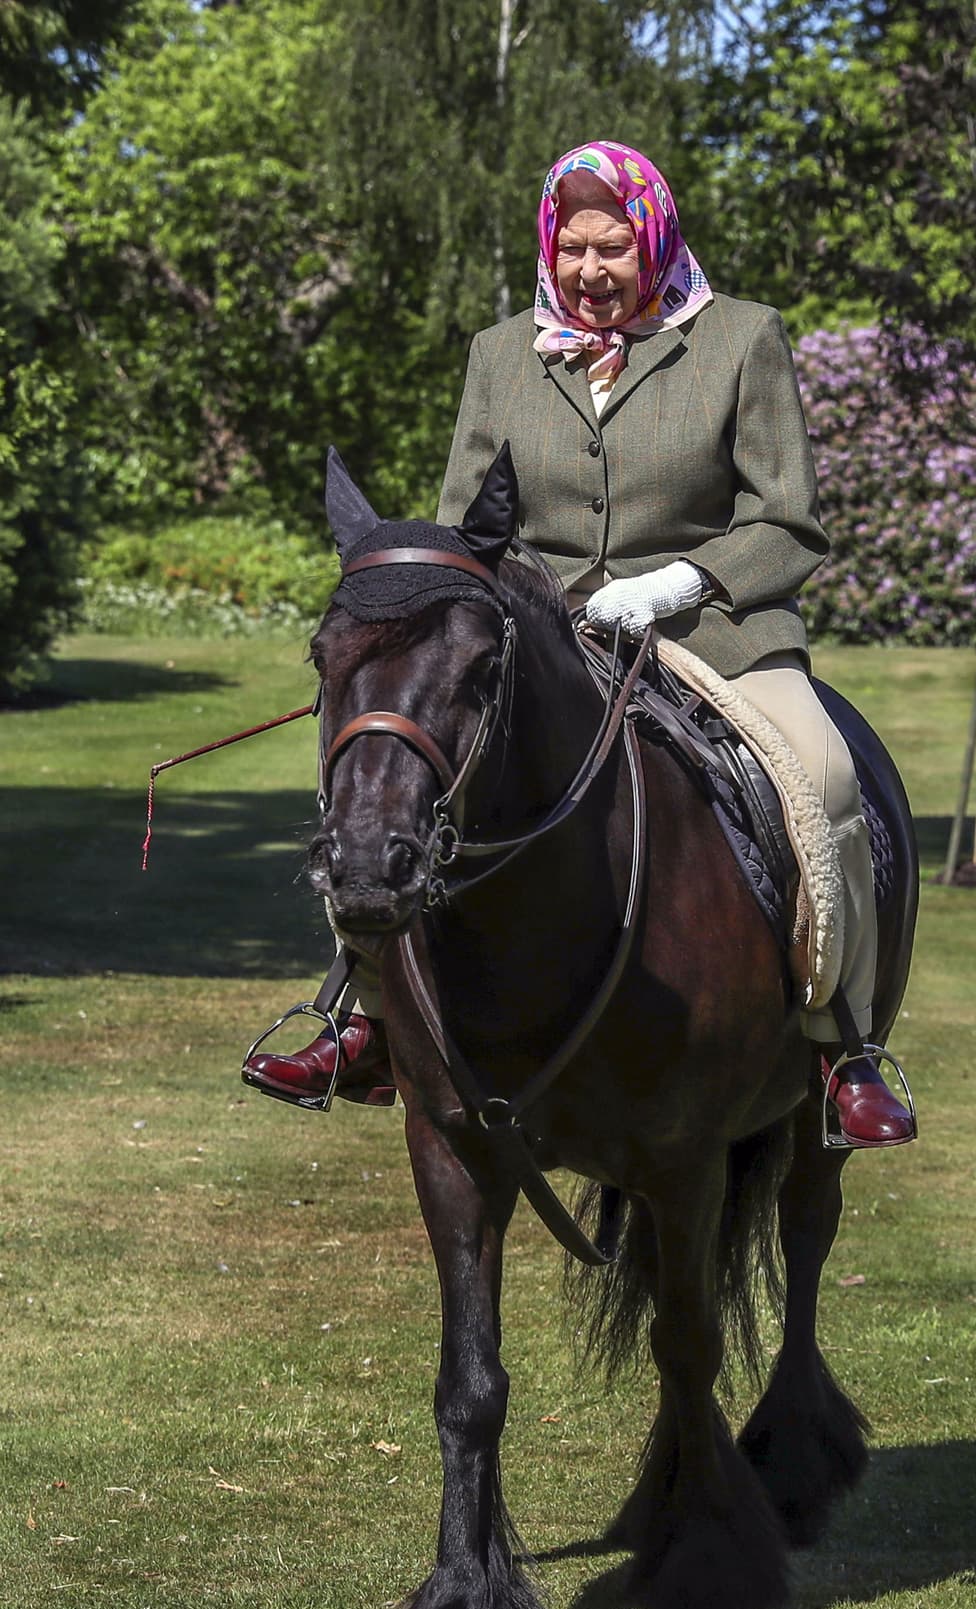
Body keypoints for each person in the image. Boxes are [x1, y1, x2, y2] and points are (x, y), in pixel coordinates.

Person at [245, 139, 914, 1148]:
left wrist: (677, 584)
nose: (592, 272)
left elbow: (787, 522)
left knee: (820, 775)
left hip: (713, 629)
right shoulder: (499, 353)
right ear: (548, 248)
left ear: (651, 238)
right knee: (392, 776)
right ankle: (365, 1018)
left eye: (613, 247)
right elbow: (466, 528)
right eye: (573, 249)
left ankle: (840, 1044)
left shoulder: (739, 339)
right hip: (539, 636)